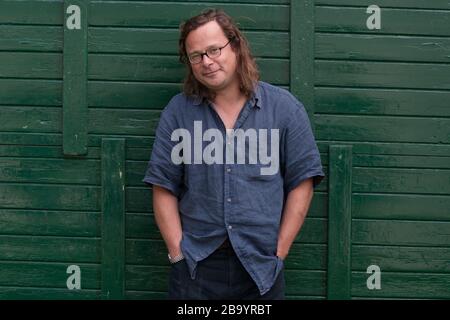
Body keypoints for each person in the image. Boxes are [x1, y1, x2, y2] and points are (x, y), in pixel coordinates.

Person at [143, 9, 324, 300]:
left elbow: (302, 182)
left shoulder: (284, 109)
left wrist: (280, 250)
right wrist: (177, 253)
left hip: (261, 265)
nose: (207, 62)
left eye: (214, 49)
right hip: (196, 265)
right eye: (196, 55)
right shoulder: (178, 112)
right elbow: (163, 185)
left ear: (236, 45)